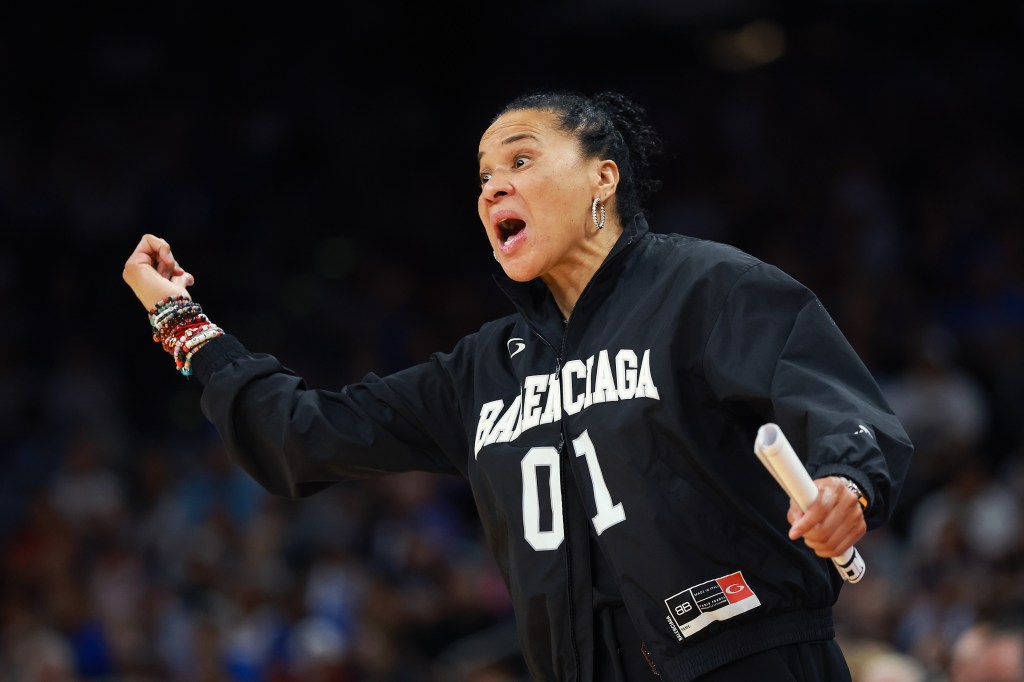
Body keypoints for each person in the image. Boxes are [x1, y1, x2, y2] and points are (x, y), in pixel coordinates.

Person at [122, 90, 914, 681]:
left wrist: (845, 482)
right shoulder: (482, 369)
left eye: (522, 159)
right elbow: (302, 437)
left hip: (749, 661)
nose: (494, 186)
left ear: (603, 178)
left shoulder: (705, 287)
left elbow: (834, 403)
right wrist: (185, 326)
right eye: (484, 176)